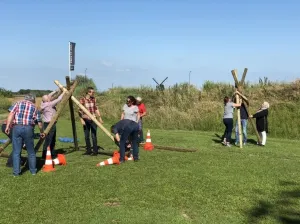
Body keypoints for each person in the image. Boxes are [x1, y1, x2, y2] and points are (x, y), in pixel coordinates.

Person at [5, 94, 45, 176]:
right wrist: (42, 132)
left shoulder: (18, 103)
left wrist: (8, 126)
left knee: (16, 152)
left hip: (17, 128)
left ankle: (16, 173)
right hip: (28, 129)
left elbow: (11, 114)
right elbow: (40, 123)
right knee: (31, 151)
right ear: (33, 100)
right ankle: (33, 171)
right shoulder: (35, 107)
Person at [41, 89, 65, 159]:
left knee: (47, 139)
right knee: (51, 139)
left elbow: (48, 96)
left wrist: (55, 91)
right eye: (49, 98)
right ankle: (50, 154)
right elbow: (59, 99)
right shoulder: (50, 104)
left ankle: (44, 154)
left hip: (45, 123)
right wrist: (64, 92)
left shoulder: (43, 103)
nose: (50, 97)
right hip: (51, 124)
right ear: (48, 100)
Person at [79, 87, 103, 156]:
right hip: (86, 120)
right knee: (86, 136)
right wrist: (81, 120)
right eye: (92, 92)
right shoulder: (82, 100)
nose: (93, 93)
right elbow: (79, 111)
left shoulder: (94, 99)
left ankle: (95, 151)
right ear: (88, 92)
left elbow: (96, 109)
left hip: (93, 119)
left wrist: (100, 118)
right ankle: (88, 150)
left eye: (93, 92)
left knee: (93, 135)